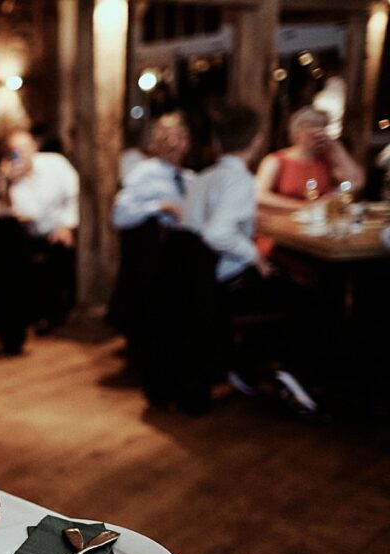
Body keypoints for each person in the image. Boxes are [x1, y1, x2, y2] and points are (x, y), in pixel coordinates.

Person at [183, 106, 319, 414]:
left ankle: (249, 362)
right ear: (257, 141)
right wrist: (253, 254)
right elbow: (217, 233)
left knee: (287, 280)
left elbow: (196, 228)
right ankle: (278, 372)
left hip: (197, 282)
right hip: (224, 283)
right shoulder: (241, 180)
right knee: (307, 296)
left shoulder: (203, 178)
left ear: (217, 143)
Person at [108, 113, 194, 366]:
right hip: (158, 256)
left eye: (177, 137)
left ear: (187, 143)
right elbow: (119, 216)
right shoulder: (144, 174)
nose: (171, 143)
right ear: (154, 144)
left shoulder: (192, 179)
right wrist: (161, 206)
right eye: (164, 137)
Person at [1, 129, 79, 333]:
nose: (20, 155)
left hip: (62, 228)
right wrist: (7, 185)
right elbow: (20, 216)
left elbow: (75, 195)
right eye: (14, 151)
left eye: (24, 149)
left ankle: (57, 314)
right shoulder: (13, 183)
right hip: (32, 235)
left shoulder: (56, 163)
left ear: (34, 148)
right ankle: (25, 316)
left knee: (59, 251)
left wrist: (68, 227)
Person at [256, 106, 364, 211]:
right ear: (298, 131)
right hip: (283, 221)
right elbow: (260, 195)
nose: (319, 132)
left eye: (323, 127)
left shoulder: (328, 160)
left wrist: (336, 147)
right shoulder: (276, 160)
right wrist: (303, 206)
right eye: (313, 126)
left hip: (318, 223)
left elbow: (356, 182)